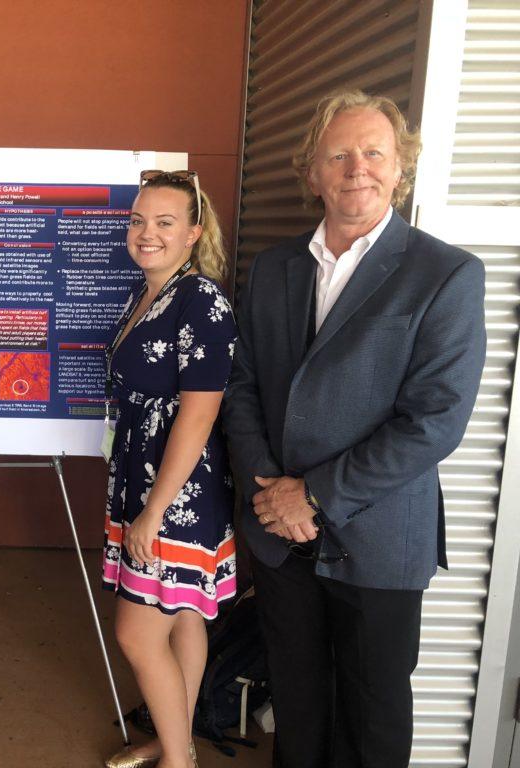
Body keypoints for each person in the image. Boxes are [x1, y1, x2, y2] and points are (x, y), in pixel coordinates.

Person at [223, 90, 486, 767]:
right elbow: (241, 384)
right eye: (337, 154)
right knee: (298, 704)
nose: (355, 168)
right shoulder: (275, 268)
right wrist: (269, 495)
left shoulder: (445, 273)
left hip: (379, 537)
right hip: (281, 538)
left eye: (374, 153)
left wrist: (311, 496)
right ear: (311, 172)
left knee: (372, 719)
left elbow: (436, 420)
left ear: (402, 169)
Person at [102, 170, 237, 768]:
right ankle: (176, 741)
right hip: (143, 475)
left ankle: (178, 764)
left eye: (164, 222)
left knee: (136, 632)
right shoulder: (148, 292)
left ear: (192, 233)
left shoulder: (200, 299)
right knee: (182, 615)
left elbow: (200, 414)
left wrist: (153, 511)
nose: (146, 233)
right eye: (138, 221)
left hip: (177, 491)